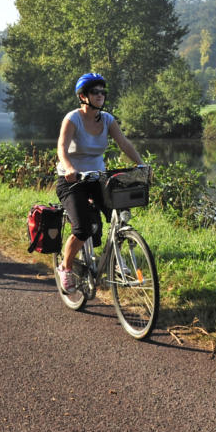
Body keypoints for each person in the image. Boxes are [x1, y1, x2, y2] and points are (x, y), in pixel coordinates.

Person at [55, 72, 148, 292]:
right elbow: (62, 148)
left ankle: (116, 259)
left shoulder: (107, 119)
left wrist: (141, 165)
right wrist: (69, 168)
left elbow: (124, 143)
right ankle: (65, 268)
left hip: (98, 178)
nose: (100, 95)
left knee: (119, 215)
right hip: (73, 181)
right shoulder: (72, 119)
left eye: (102, 92)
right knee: (82, 228)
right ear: (83, 96)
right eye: (94, 92)